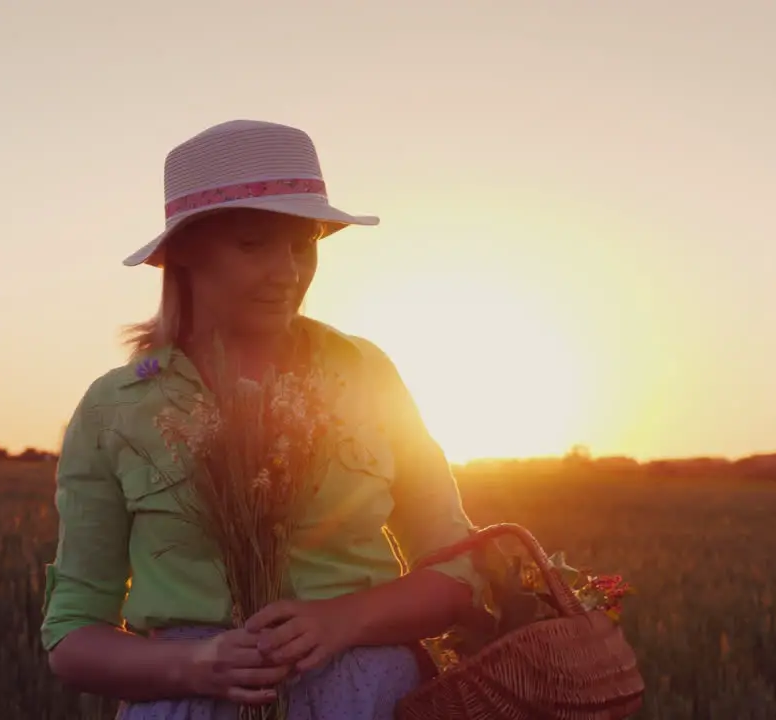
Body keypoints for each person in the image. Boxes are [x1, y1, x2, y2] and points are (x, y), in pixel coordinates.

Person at [40, 119, 483, 720]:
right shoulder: (115, 407)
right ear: (188, 250)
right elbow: (71, 636)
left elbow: (458, 572)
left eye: (304, 246)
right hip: (193, 707)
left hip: (375, 700)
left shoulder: (366, 373)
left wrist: (343, 619)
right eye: (254, 245)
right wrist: (195, 666)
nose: (288, 272)